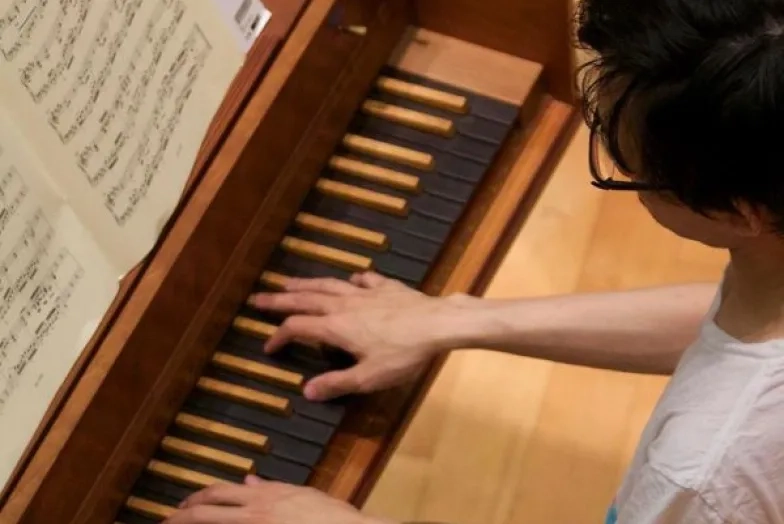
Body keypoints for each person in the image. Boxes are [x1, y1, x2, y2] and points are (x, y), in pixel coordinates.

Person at [164, 0, 784, 522]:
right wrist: (455, 320)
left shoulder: (704, 476)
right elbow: (733, 327)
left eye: (625, 164)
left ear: (739, 213)